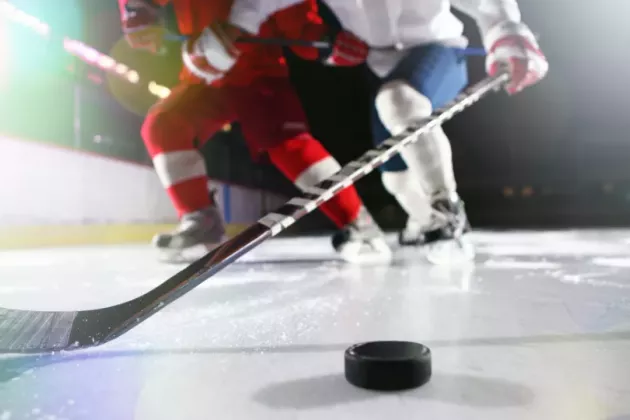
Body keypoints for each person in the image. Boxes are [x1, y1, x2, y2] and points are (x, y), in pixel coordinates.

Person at [181, 0, 549, 261]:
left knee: (398, 102)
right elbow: (258, 4)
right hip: (385, 65)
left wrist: (508, 32)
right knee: (398, 179)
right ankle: (423, 219)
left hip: (439, 50)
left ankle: (448, 212)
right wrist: (229, 33)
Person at [118, 0, 391, 263]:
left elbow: (296, 18)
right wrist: (137, 10)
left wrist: (324, 41)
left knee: (292, 147)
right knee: (164, 126)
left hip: (260, 72)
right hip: (205, 72)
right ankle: (201, 220)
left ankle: (360, 224)